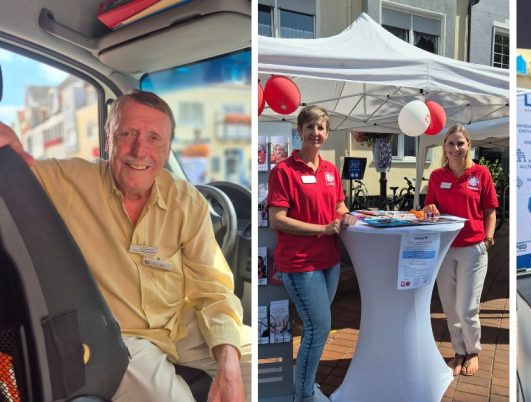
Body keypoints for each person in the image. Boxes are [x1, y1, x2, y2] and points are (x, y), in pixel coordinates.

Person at [0, 91, 249, 401]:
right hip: (120, 335)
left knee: (251, 366)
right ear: (108, 139)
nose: (139, 150)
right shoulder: (67, 181)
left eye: (154, 138)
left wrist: (228, 360)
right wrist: (10, 144)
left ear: (168, 148)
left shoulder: (187, 201)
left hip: (180, 322)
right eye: (126, 134)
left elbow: (212, 288)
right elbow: (14, 172)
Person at [267, 105, 356, 402]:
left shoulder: (330, 170)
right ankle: (304, 395)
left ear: (327, 134)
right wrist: (321, 228)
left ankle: (305, 385)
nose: (315, 133)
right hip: (300, 264)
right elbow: (277, 219)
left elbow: (339, 206)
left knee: (315, 330)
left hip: (329, 262)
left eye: (321, 128)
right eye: (310, 128)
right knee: (319, 328)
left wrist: (346, 216)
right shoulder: (283, 171)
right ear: (299, 131)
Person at [423, 124, 498, 377]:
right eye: (451, 143)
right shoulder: (436, 176)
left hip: (473, 248)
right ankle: (459, 351)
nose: (456, 148)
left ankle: (473, 350)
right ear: (444, 147)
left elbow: (490, 210)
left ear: (469, 145)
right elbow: (429, 206)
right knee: (449, 305)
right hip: (445, 248)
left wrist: (487, 238)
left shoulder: (480, 173)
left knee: (467, 307)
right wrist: (430, 208)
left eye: (460, 143)